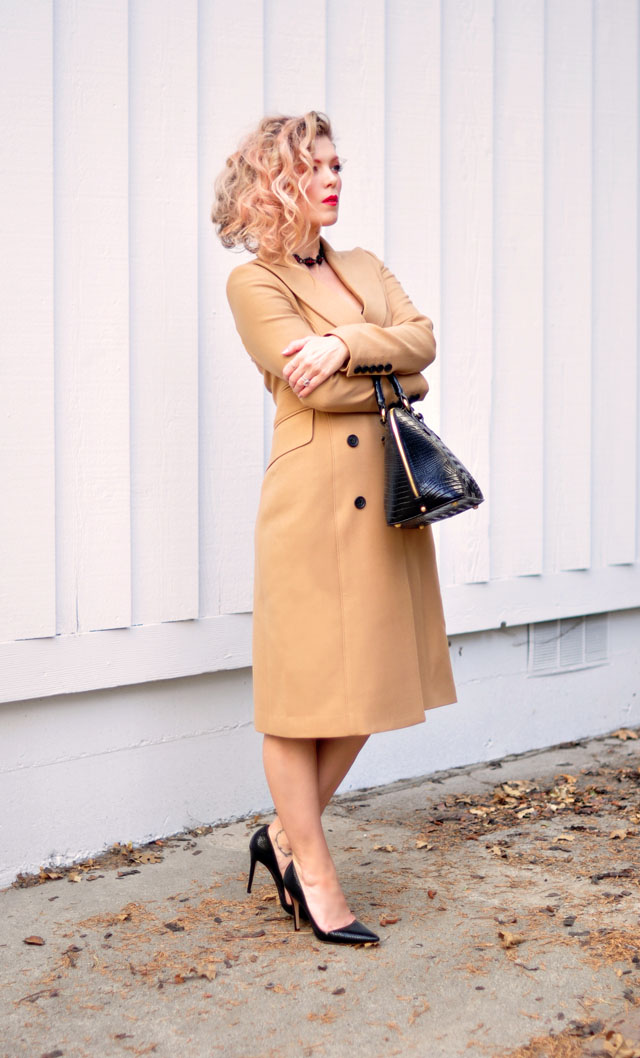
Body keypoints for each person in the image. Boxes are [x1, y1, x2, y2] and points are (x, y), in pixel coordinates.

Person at [211, 111, 456, 946]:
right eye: (312, 168)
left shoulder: (363, 267)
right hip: (312, 503)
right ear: (273, 186)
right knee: (303, 695)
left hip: (384, 499)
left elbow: (423, 348)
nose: (332, 179)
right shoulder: (256, 282)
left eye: (337, 164)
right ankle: (313, 872)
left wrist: (349, 345)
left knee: (372, 681)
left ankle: (281, 834)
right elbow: (312, 389)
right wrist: (389, 370)